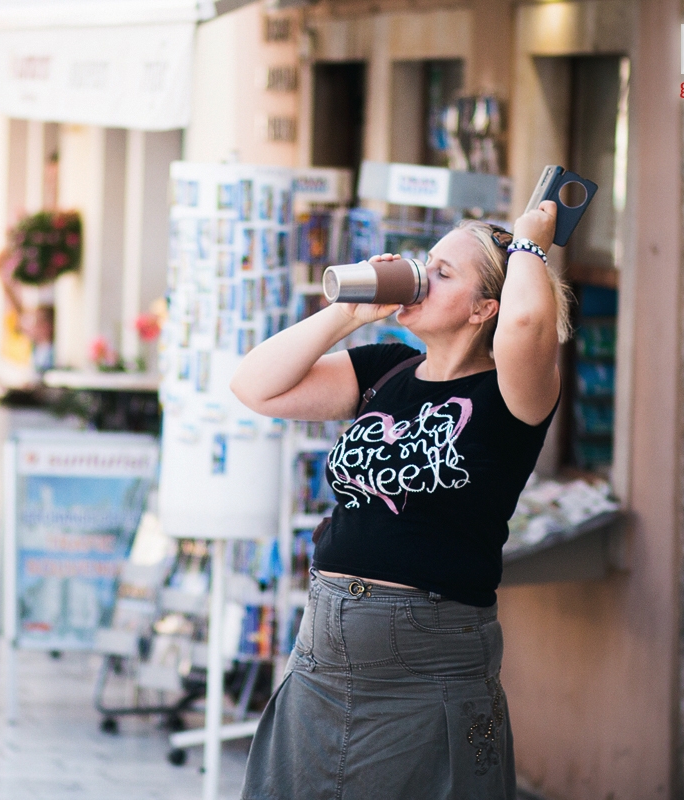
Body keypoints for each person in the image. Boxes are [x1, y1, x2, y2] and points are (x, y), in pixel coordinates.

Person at [231, 203, 569, 799]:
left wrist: (531, 243)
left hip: (427, 664)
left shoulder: (513, 392)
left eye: (443, 272)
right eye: (425, 263)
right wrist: (349, 313)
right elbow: (254, 386)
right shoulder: (387, 370)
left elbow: (525, 325)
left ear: (483, 309)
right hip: (323, 654)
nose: (420, 275)